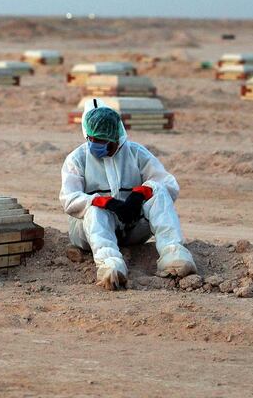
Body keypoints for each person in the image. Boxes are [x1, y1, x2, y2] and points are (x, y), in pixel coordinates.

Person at [60, 98, 197, 290]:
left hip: (131, 228)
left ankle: (173, 254)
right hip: (89, 232)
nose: (103, 147)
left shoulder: (136, 153)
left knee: (157, 189)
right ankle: (110, 266)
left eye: (108, 143)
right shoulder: (77, 159)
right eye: (97, 141)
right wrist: (104, 202)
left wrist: (140, 194)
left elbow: (169, 184)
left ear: (119, 138)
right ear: (88, 137)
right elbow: (68, 199)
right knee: (94, 209)